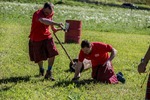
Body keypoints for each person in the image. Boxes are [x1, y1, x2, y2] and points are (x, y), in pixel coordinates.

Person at [29, 2, 63, 81]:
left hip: (47, 36)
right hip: (36, 38)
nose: (48, 14)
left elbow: (50, 22)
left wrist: (55, 28)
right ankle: (41, 69)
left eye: (49, 13)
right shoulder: (38, 14)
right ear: (43, 9)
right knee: (39, 57)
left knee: (53, 52)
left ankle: (49, 72)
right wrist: (56, 23)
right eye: (46, 12)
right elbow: (43, 20)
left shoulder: (50, 13)